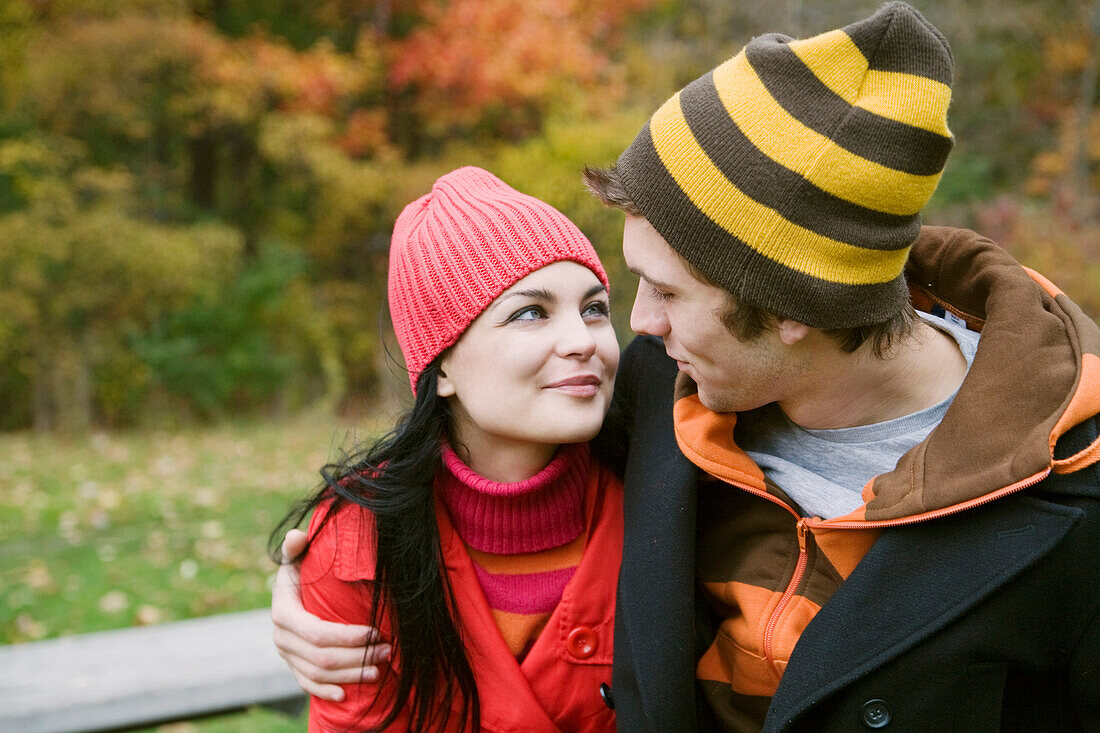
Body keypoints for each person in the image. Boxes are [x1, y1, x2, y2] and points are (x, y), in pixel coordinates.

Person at [274, 4, 1100, 731]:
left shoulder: (1067, 491)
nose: (635, 325)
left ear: (790, 309)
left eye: (666, 291)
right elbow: (464, 455)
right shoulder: (659, 390)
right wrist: (304, 587)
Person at [275, 165, 623, 731]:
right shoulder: (357, 541)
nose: (583, 341)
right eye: (530, 313)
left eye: (594, 309)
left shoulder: (665, 486)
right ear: (441, 369)